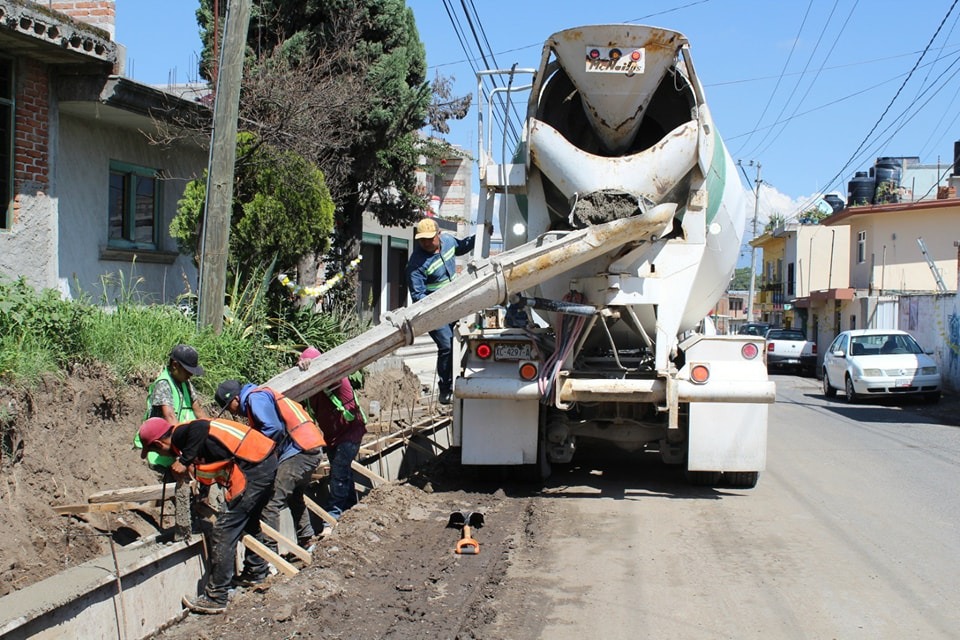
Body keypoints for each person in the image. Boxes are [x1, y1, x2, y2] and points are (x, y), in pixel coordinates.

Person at [138, 416, 277, 615]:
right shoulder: (188, 442)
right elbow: (214, 461)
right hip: (262, 460)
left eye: (154, 450)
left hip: (254, 465)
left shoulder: (183, 434)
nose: (160, 454)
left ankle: (217, 596)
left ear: (159, 443)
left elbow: (201, 426)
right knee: (249, 520)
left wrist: (184, 460)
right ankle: (255, 572)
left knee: (223, 530)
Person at [216, 379, 324, 553]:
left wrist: (256, 453)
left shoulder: (255, 399)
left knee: (271, 503)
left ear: (235, 399)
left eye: (230, 408)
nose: (233, 412)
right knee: (294, 496)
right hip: (308, 447)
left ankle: (270, 555)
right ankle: (307, 540)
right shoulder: (260, 395)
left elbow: (273, 428)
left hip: (299, 450)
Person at [405, 217, 488, 404]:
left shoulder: (449, 242)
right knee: (447, 346)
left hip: (454, 304)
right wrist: (436, 305)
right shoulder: (416, 264)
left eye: (429, 238)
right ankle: (445, 388)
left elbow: (463, 246)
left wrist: (482, 235)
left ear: (439, 235)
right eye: (422, 239)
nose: (425, 243)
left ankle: (463, 377)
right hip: (434, 312)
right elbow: (417, 296)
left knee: (462, 341)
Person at [137, 344, 209, 539]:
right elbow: (170, 417)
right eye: (188, 371)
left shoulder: (185, 383)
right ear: (175, 365)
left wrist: (210, 434)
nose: (191, 375)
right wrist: (186, 455)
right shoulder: (164, 384)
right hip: (165, 450)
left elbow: (199, 411)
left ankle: (197, 524)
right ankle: (186, 530)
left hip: (184, 445)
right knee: (181, 489)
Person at [298, 346, 368, 520]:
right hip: (332, 438)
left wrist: (314, 364)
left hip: (350, 433)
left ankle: (334, 513)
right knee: (343, 472)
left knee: (338, 473)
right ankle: (351, 508)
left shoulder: (336, 379)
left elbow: (330, 371)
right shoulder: (310, 391)